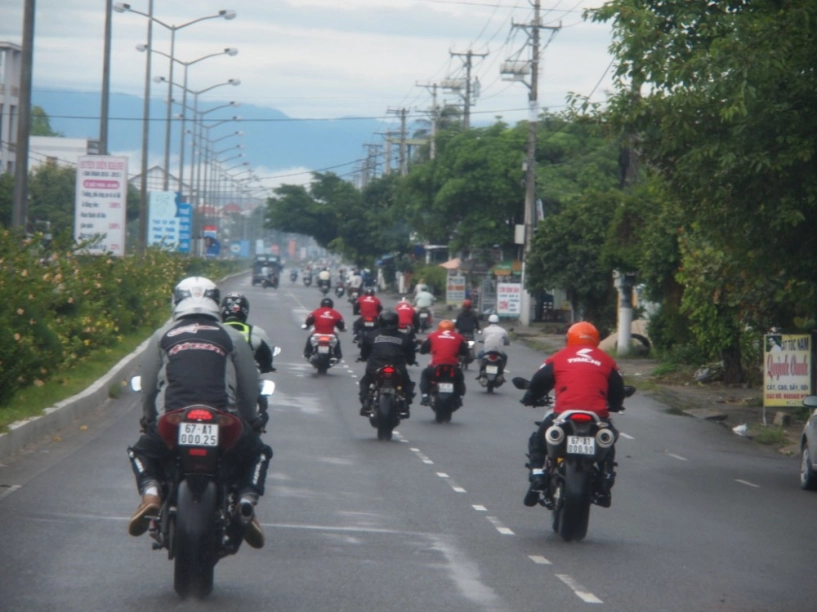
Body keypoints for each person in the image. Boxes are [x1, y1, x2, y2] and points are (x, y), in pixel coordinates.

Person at [127, 277, 271, 549]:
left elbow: (147, 388)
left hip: (172, 418)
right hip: (223, 419)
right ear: (216, 303)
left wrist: (148, 420)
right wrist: (250, 421)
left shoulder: (163, 335)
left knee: (140, 451)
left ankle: (151, 493)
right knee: (259, 452)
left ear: (176, 301)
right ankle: (246, 501)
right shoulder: (231, 336)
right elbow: (248, 389)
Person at [520, 321, 625, 509]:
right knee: (609, 442)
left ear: (569, 339)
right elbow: (618, 389)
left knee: (539, 439)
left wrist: (530, 397)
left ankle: (537, 475)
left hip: (564, 413)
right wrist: (616, 405)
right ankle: (606, 481)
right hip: (597, 416)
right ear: (597, 340)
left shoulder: (559, 357)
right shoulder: (606, 360)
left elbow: (540, 380)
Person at [220, 292, 276, 430]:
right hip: (247, 382)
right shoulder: (256, 333)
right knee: (260, 408)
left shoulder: (210, 329)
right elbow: (267, 355)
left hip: (214, 380)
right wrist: (267, 367)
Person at [358, 309, 416, 418]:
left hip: (375, 367)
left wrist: (363, 357)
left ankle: (366, 403)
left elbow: (364, 352)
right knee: (407, 384)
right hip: (397, 368)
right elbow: (411, 355)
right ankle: (405, 405)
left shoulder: (371, 335)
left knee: (365, 381)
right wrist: (411, 361)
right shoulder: (405, 338)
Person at [418, 320, 469, 406]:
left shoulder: (432, 335)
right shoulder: (458, 337)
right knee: (460, 379)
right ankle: (460, 398)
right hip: (452, 368)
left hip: (436, 367)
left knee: (425, 374)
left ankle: (425, 396)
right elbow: (465, 352)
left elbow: (423, 350)